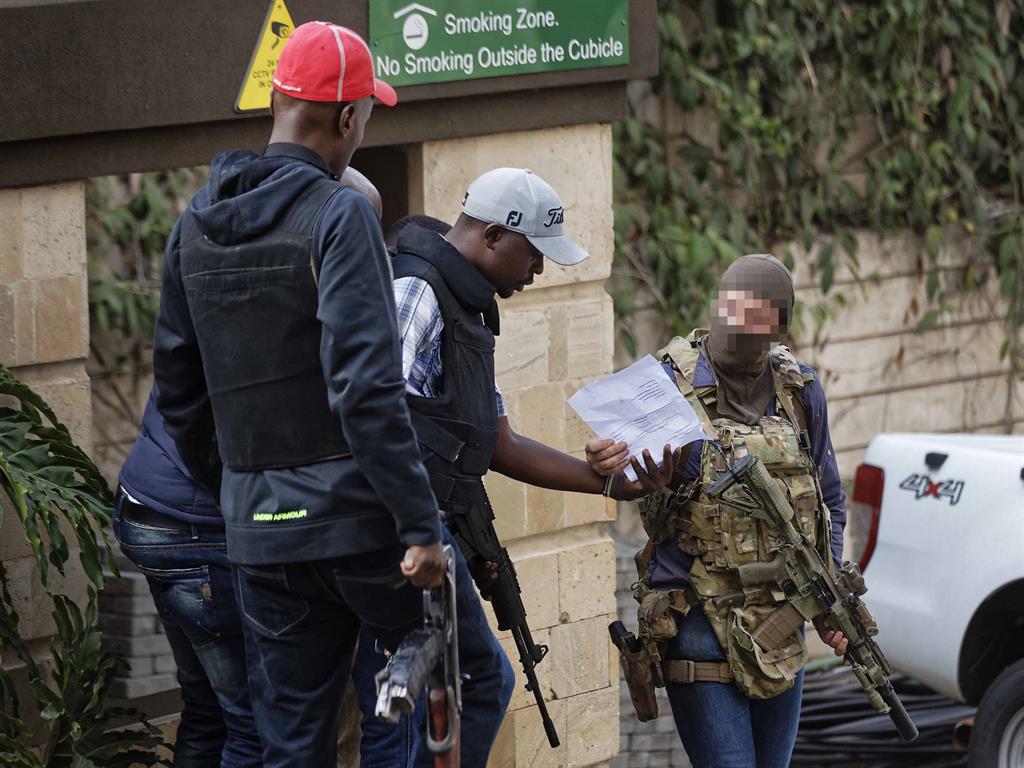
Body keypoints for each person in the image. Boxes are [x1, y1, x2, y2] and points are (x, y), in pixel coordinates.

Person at [152, 21, 445, 768]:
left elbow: (179, 392)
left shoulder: (193, 225)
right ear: (348, 118)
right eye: (367, 116)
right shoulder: (340, 212)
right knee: (453, 680)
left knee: (290, 746)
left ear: (279, 98)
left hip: (260, 532)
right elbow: (367, 388)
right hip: (356, 527)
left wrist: (242, 488)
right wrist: (419, 528)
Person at [352, 168, 680, 768]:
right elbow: (371, 414)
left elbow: (496, 439)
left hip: (426, 535)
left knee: (472, 682)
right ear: (496, 236)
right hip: (393, 538)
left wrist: (606, 480)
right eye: (534, 254)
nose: (538, 271)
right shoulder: (417, 291)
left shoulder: (468, 306)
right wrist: (410, 529)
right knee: (404, 715)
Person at [588, 254, 849, 768]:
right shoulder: (664, 384)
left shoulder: (798, 392)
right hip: (698, 625)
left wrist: (827, 590)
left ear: (780, 325)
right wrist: (606, 466)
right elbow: (619, 477)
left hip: (780, 627)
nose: (738, 326)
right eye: (732, 309)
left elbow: (829, 501)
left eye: (756, 317)